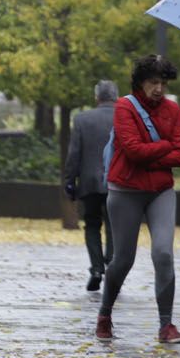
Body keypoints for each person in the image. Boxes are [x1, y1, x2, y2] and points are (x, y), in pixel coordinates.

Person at [96, 55, 180, 345]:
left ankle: (166, 326)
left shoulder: (173, 110)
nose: (159, 89)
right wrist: (164, 147)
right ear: (140, 83)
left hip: (161, 190)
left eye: (163, 83)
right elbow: (133, 150)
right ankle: (105, 314)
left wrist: (157, 153)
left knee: (163, 254)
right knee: (123, 259)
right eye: (153, 82)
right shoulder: (125, 107)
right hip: (125, 191)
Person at [64, 80, 117, 291]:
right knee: (115, 226)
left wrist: (69, 180)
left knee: (92, 224)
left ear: (97, 98)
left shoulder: (82, 119)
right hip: (117, 182)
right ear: (116, 97)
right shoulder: (124, 118)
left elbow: (74, 154)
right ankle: (112, 265)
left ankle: (96, 269)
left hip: (89, 183)